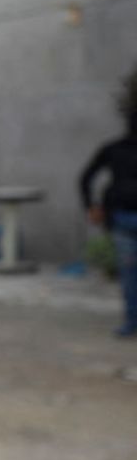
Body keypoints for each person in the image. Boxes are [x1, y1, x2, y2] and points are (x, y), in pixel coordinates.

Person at [80, 109, 137, 337]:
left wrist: (91, 206)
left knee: (129, 273)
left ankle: (131, 321)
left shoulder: (113, 149)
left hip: (121, 216)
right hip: (122, 217)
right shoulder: (112, 149)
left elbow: (85, 178)